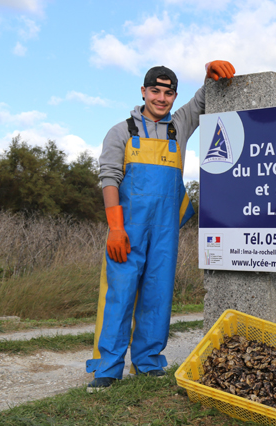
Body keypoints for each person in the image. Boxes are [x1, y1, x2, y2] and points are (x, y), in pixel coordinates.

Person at [86, 61, 236, 392]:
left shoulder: (178, 127)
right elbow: (109, 177)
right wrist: (114, 227)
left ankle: (148, 362)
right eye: (155, 91)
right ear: (143, 92)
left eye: (168, 93)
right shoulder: (122, 131)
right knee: (119, 295)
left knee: (158, 295)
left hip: (165, 231)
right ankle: (108, 368)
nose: (162, 98)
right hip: (127, 229)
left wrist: (210, 75)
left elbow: (201, 102)